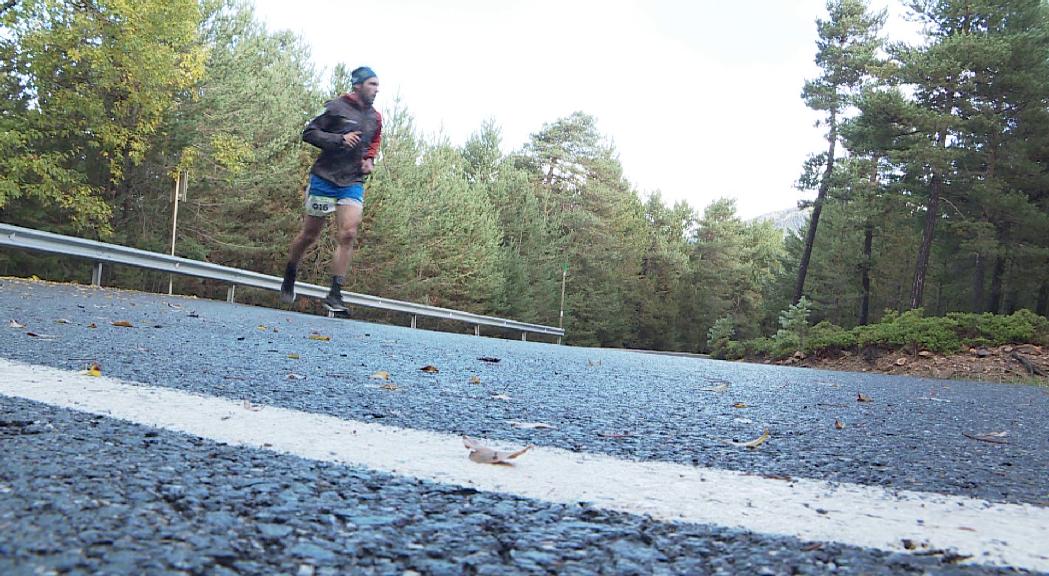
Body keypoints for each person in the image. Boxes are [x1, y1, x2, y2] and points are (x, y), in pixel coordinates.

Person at [280, 66, 382, 312]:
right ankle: (290, 271)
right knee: (309, 235)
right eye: (372, 84)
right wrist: (339, 140)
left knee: (348, 233)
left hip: (352, 181)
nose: (376, 90)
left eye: (378, 85)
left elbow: (375, 139)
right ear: (357, 85)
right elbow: (309, 132)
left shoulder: (375, 117)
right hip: (325, 179)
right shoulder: (335, 107)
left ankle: (335, 294)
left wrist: (369, 159)